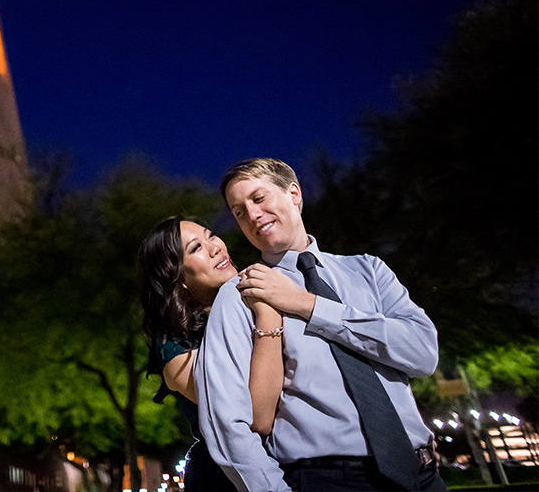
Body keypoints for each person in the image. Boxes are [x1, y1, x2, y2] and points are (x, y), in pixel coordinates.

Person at [196, 158, 446, 491]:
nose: (252, 215)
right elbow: (229, 422)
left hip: (422, 475)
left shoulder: (368, 271)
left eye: (258, 198)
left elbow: (423, 353)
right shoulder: (241, 294)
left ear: (294, 194)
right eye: (239, 211)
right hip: (326, 479)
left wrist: (307, 304)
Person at [140, 216, 286, 491]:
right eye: (196, 248)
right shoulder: (175, 347)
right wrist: (269, 319)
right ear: (177, 277)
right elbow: (251, 412)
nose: (215, 247)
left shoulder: (264, 291)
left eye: (211, 235)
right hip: (226, 477)